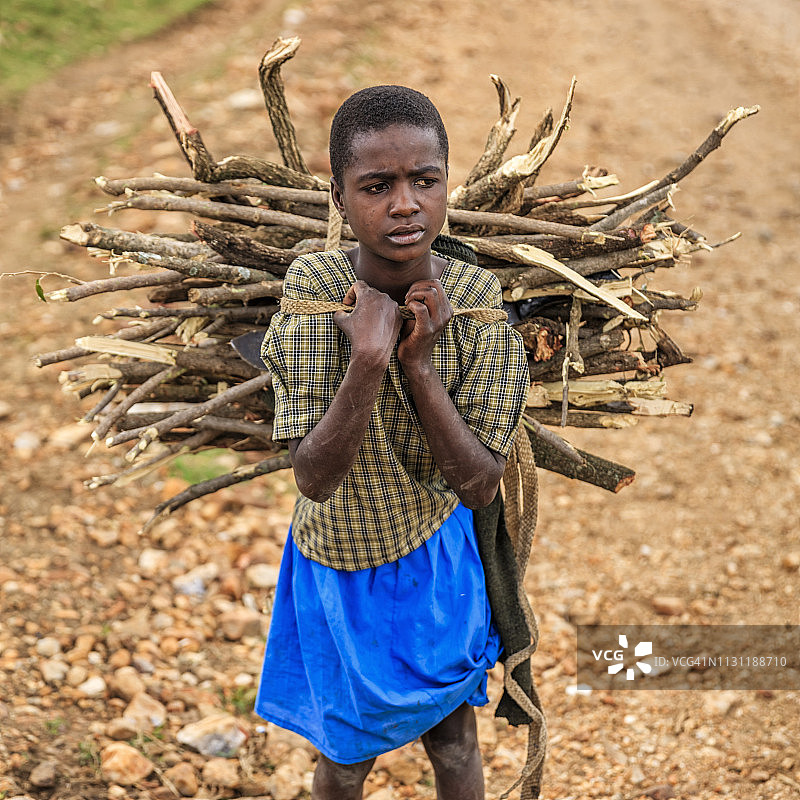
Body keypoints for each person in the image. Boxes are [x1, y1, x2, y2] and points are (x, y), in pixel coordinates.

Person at [255, 85, 530, 800]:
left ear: (446, 184)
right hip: (335, 565)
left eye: (424, 181)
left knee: (454, 741)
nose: (404, 204)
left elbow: (478, 486)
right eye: (377, 187)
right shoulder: (315, 292)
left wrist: (417, 366)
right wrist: (367, 361)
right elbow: (313, 477)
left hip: (439, 556)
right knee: (344, 758)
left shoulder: (476, 301)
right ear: (341, 200)